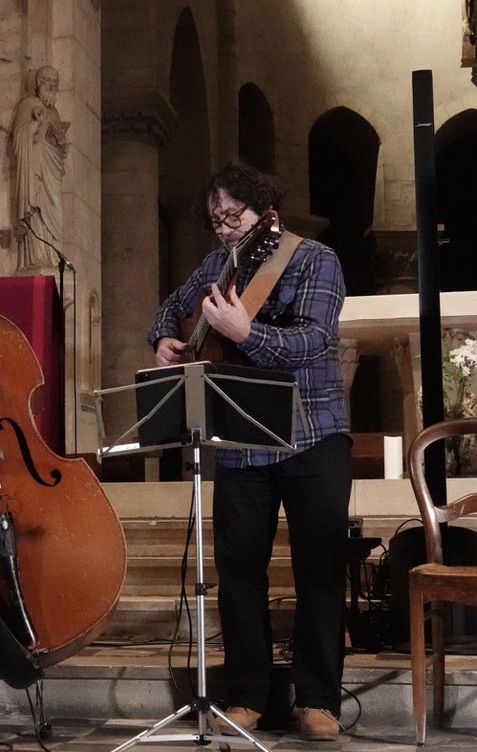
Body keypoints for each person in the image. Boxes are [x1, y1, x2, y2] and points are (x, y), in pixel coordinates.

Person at [147, 162, 352, 742]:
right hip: (240, 439)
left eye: (232, 216)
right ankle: (246, 695)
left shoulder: (314, 258)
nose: (223, 229)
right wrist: (163, 335)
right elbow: (171, 306)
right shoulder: (215, 265)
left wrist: (244, 333)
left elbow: (313, 341)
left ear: (264, 209)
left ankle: (318, 700)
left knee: (318, 570)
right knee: (238, 572)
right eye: (215, 220)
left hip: (314, 432)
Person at [11, 65, 70, 269]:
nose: (51, 88)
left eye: (55, 85)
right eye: (48, 83)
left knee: (54, 209)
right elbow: (18, 138)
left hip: (51, 171)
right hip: (34, 169)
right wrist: (36, 125)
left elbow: (62, 151)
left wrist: (61, 139)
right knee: (37, 210)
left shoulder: (55, 113)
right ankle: (35, 258)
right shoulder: (28, 104)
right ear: (38, 83)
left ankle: (52, 256)